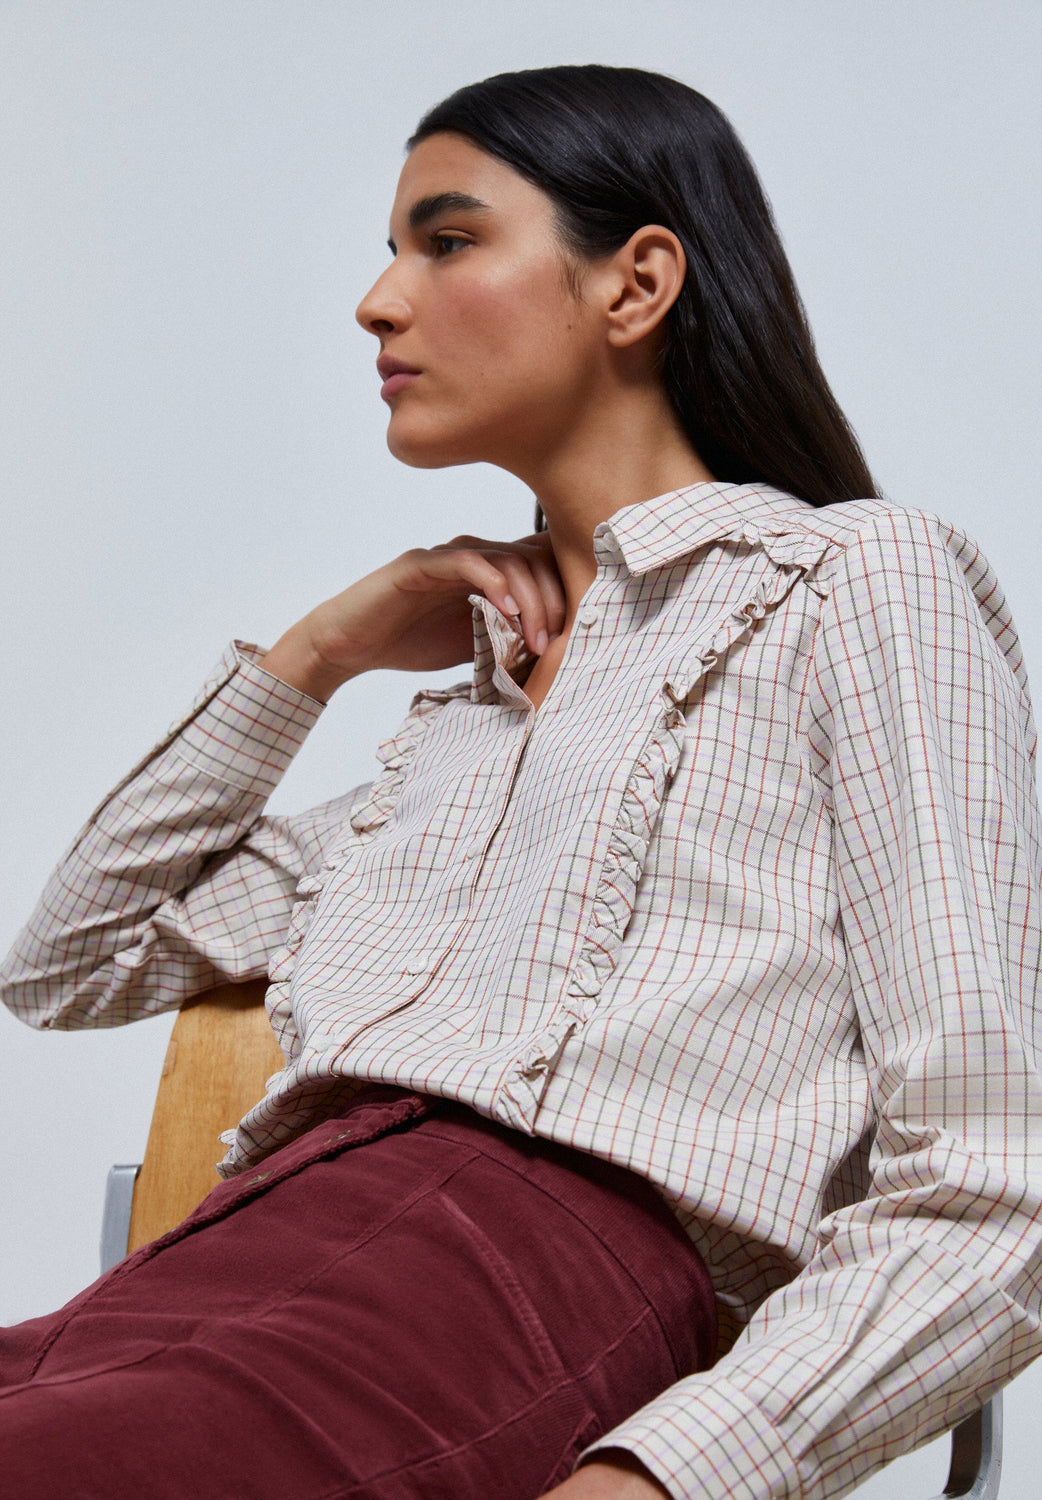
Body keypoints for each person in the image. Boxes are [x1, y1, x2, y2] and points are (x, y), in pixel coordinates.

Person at [2, 63, 1040, 1500]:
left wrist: (657, 1478)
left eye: (446, 240)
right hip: (192, 1284)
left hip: (494, 1307)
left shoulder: (851, 585)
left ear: (636, 283)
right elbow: (68, 963)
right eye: (391, 250)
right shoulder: (445, 744)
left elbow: (990, 1187)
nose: (377, 302)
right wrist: (316, 654)